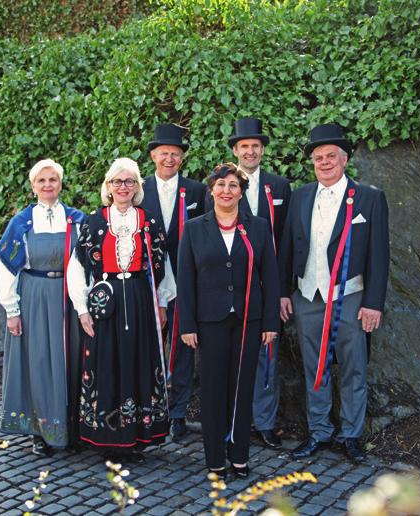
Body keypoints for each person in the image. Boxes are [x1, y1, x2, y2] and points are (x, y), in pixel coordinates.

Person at [278, 124, 389, 462]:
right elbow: (286, 247)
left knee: (354, 366)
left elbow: (379, 254)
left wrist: (373, 303)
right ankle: (320, 431)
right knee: (315, 367)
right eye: (318, 158)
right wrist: (284, 292)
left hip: (350, 296)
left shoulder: (369, 198)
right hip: (308, 295)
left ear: (344, 160)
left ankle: (352, 435)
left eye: (330, 156)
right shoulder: (300, 196)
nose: (324, 162)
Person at [67, 157, 175, 462]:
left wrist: (162, 303)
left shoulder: (149, 220)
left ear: (137, 187)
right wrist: (82, 309)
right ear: (108, 186)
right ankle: (108, 439)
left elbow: (162, 266)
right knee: (107, 363)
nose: (123, 187)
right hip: (105, 303)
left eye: (129, 182)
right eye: (117, 182)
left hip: (140, 301)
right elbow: (77, 268)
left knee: (138, 362)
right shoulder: (94, 222)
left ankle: (137, 437)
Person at [177, 163, 280, 478]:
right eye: (220, 184)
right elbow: (185, 280)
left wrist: (271, 323)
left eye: (233, 185)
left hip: (249, 319)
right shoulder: (194, 228)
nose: (226, 190)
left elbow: (271, 278)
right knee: (213, 388)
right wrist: (188, 325)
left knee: (242, 387)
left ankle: (239, 454)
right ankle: (215, 458)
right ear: (211, 190)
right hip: (209, 321)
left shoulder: (259, 227)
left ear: (241, 192)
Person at [0, 159, 86, 456]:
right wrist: (12, 310)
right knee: (38, 363)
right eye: (42, 180)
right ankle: (39, 431)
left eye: (53, 180)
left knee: (68, 361)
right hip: (33, 297)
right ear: (33, 186)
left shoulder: (76, 220)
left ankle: (69, 428)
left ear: (61, 184)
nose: (48, 185)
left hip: (67, 299)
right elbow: (7, 271)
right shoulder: (21, 222)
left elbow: (87, 265)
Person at [140, 123, 206, 441]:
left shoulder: (195, 191)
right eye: (164, 153)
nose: (169, 159)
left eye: (175, 154)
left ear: (182, 158)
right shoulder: (138, 189)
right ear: (153, 155)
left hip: (185, 282)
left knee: (182, 347)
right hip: (147, 282)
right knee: (149, 346)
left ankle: (177, 412)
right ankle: (149, 407)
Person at [228, 117, 291, 450]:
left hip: (266, 286)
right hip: (229, 287)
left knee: (267, 355)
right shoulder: (222, 184)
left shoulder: (279, 187)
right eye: (244, 146)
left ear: (262, 150)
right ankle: (234, 419)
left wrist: (281, 291)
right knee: (230, 354)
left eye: (255, 146)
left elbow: (286, 241)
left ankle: (265, 421)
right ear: (235, 150)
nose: (250, 151)